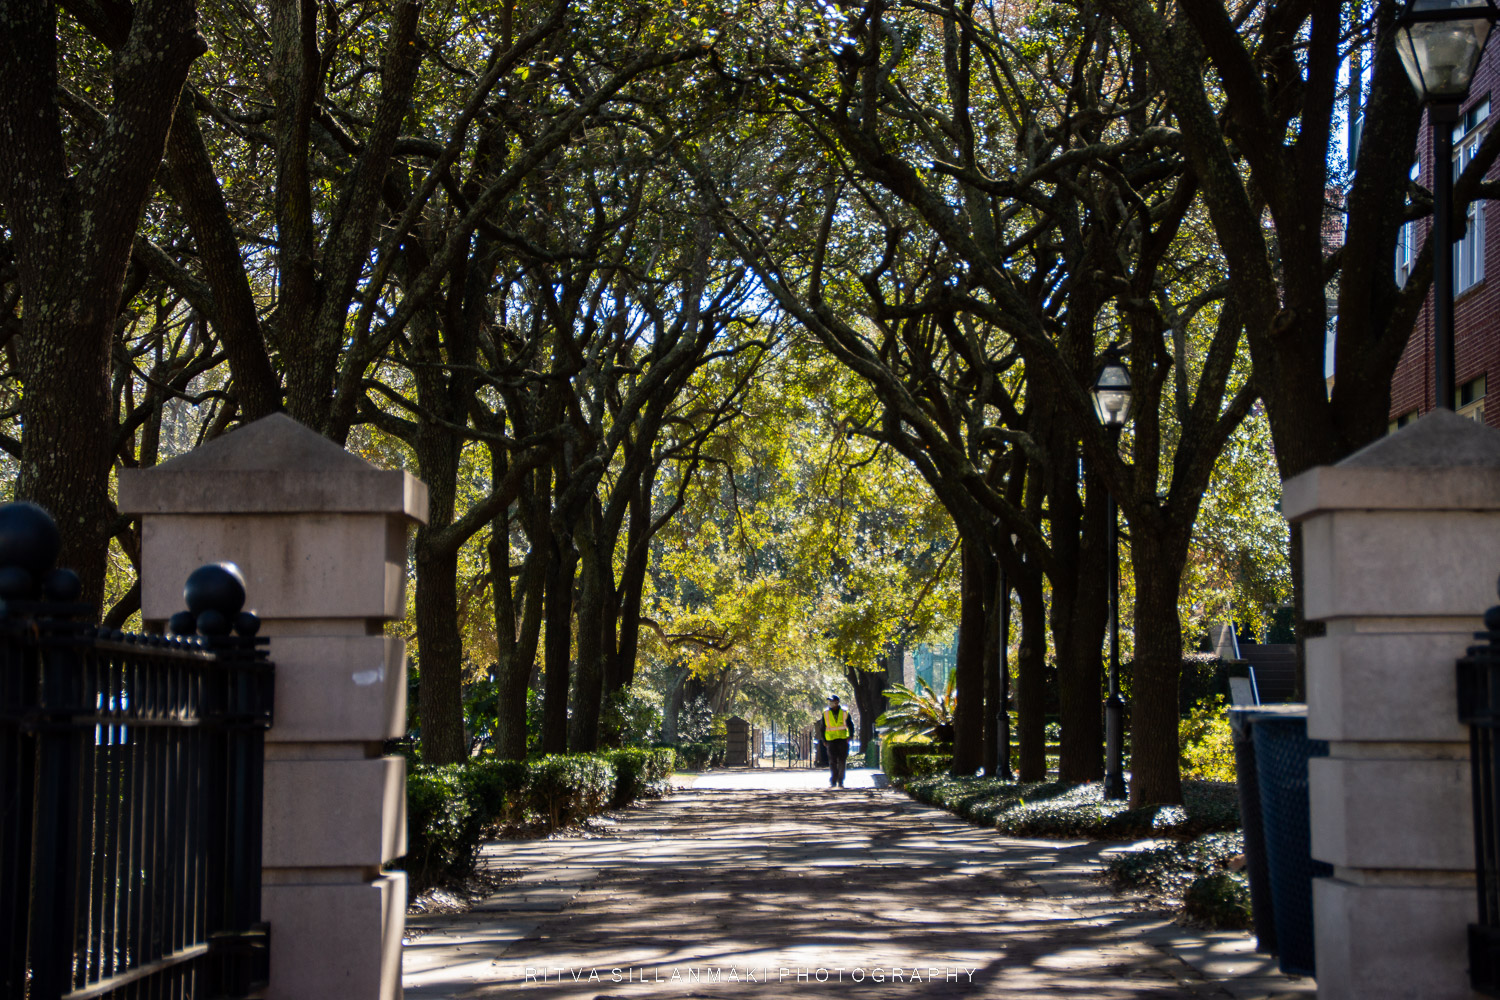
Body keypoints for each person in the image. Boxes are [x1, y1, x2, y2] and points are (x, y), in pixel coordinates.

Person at [818, 695, 851, 788]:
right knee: (832, 761)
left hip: (842, 739)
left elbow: (850, 725)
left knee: (842, 760)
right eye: (830, 701)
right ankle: (833, 779)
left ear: (837, 702)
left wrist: (850, 736)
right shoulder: (826, 713)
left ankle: (840, 780)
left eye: (832, 701)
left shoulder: (844, 712)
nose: (830, 703)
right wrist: (824, 740)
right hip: (831, 740)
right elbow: (822, 727)